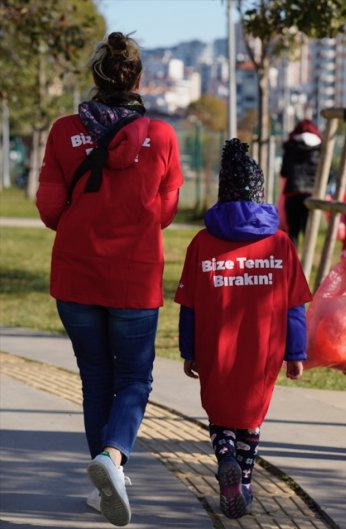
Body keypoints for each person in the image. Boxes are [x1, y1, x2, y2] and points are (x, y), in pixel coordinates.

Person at [36, 32, 183, 526]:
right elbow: (163, 211)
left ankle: (105, 483)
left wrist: (86, 220)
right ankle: (113, 459)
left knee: (96, 378)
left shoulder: (62, 132)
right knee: (134, 378)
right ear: (137, 80)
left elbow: (51, 208)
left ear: (95, 80)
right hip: (134, 277)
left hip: (76, 273)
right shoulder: (161, 136)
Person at [175, 139, 312, 519]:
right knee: (251, 418)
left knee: (220, 415)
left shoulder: (201, 243)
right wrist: (296, 354)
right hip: (263, 352)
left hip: (214, 350)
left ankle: (225, 458)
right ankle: (245, 482)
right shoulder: (280, 244)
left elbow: (189, 308)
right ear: (261, 193)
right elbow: (294, 307)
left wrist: (189, 350)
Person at [280, 119, 322, 246]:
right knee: (309, 232)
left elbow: (284, 172)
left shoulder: (290, 146)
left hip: (292, 193)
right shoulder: (321, 148)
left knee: (293, 232)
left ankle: (293, 262)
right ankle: (307, 262)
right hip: (312, 195)